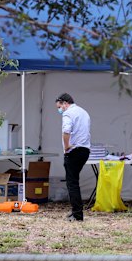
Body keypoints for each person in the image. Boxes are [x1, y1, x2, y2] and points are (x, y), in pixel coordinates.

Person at [55, 93, 91, 222]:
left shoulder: (68, 113)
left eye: (60, 107)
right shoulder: (84, 112)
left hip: (74, 150)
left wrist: (66, 147)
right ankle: (76, 212)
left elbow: (66, 131)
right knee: (74, 181)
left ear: (65, 103)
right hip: (85, 150)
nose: (60, 110)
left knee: (72, 183)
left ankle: (77, 214)